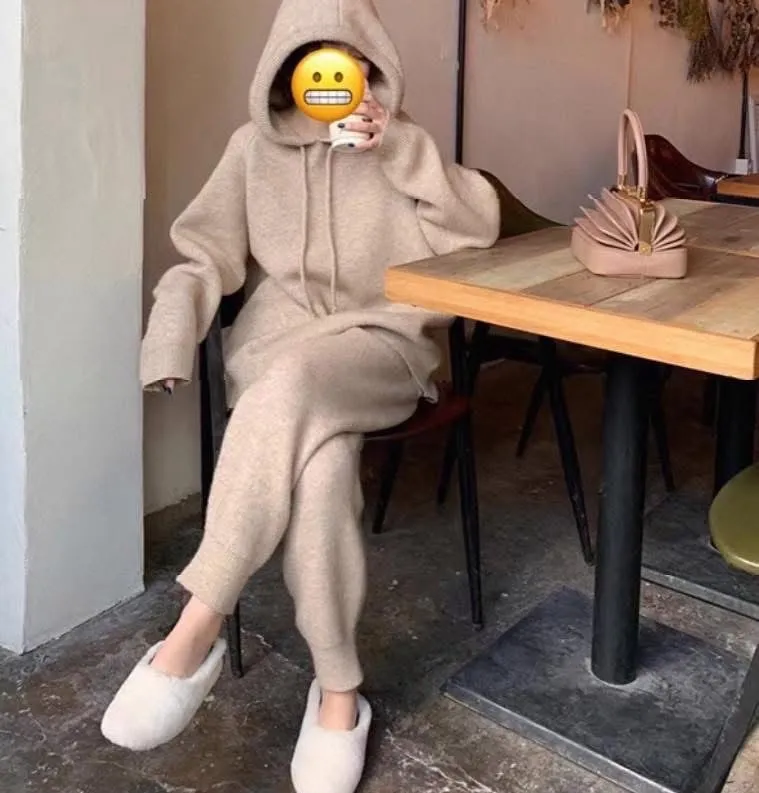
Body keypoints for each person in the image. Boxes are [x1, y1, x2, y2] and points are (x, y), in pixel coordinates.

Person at [100, 0, 500, 791]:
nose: (326, 76)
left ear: (369, 66)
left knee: (289, 388)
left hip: (379, 346)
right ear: (282, 69)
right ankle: (340, 692)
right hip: (281, 351)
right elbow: (203, 256)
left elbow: (477, 230)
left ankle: (196, 624)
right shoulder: (250, 150)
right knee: (319, 467)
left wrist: (399, 146)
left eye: (346, 59)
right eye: (307, 59)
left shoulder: (400, 143)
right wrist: (169, 336)